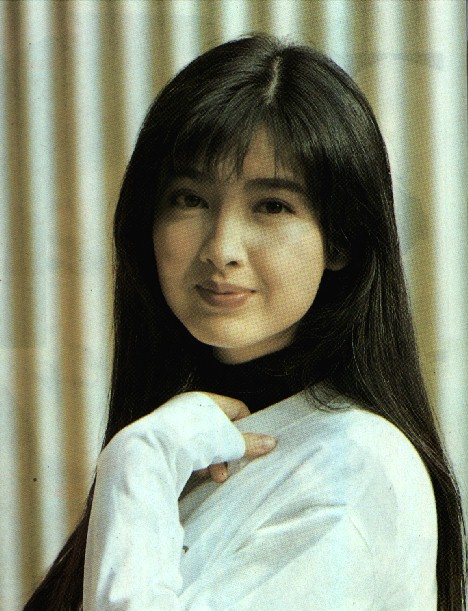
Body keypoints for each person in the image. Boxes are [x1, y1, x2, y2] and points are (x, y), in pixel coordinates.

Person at [25, 35, 465, 610]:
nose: (221, 249)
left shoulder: (354, 469)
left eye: (272, 205)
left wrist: (137, 462)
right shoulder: (192, 439)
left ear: (339, 240)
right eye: (189, 199)